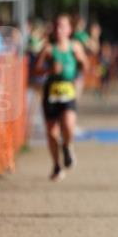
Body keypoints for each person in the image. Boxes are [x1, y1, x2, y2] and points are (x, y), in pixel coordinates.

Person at [34, 14, 87, 181]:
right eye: (56, 26)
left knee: (68, 124)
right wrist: (49, 70)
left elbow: (86, 66)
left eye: (62, 26)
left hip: (68, 90)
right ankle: (56, 165)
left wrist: (81, 61)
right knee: (51, 132)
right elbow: (36, 71)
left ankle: (67, 146)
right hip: (51, 91)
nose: (59, 30)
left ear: (69, 30)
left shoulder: (75, 47)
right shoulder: (48, 49)